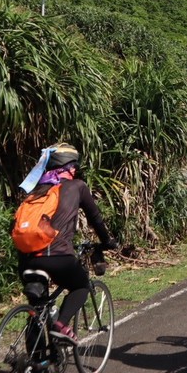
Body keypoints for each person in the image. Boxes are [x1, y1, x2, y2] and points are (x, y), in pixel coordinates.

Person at [16, 142, 118, 342]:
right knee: (81, 285)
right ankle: (60, 326)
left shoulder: (35, 191)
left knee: (38, 308)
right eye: (75, 167)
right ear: (70, 167)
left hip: (26, 259)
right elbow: (95, 218)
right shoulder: (77, 187)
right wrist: (107, 241)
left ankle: (36, 360)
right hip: (58, 257)